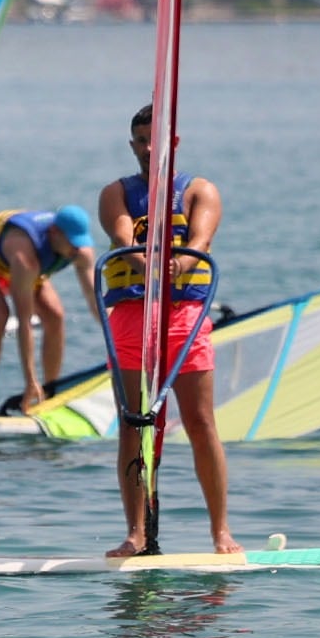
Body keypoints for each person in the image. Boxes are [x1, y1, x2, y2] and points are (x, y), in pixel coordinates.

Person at [97, 105, 234, 559]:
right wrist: (147, 266)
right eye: (140, 141)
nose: (149, 148)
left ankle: (221, 533)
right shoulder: (115, 193)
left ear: (173, 144)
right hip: (133, 315)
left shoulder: (200, 190)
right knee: (135, 426)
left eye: (157, 140)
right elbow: (122, 237)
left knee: (199, 422)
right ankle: (136, 534)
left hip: (183, 316)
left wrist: (179, 266)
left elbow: (200, 240)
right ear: (132, 145)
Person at [0, 204, 97, 418]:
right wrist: (30, 379)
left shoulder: (79, 252)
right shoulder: (25, 256)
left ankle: (51, 394)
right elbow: (25, 322)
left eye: (79, 243)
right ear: (54, 233)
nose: (75, 250)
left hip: (24, 268)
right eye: (72, 243)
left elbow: (94, 300)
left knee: (55, 316)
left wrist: (117, 346)